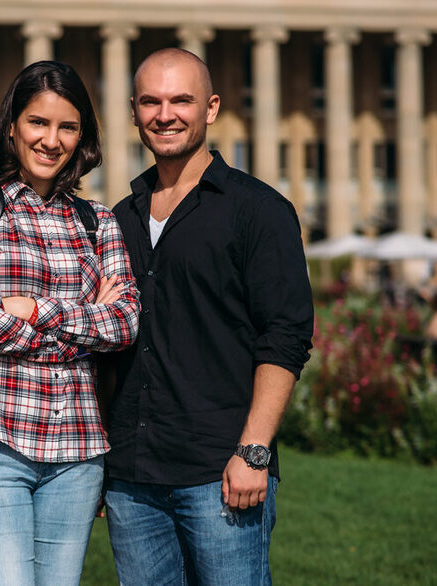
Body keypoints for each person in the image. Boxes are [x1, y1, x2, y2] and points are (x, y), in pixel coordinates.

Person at [104, 48, 314, 585]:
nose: (165, 114)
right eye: (150, 101)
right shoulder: (119, 219)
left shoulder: (258, 210)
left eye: (181, 100)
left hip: (220, 471)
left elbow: (286, 336)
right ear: (133, 111)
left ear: (212, 108)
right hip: (133, 476)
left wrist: (254, 451)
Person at [0, 60, 140, 585]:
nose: (51, 140)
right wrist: (82, 324)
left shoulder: (99, 222)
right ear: (12, 127)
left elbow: (123, 325)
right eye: (38, 122)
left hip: (77, 454)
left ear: (82, 137)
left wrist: (32, 308)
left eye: (67, 127)